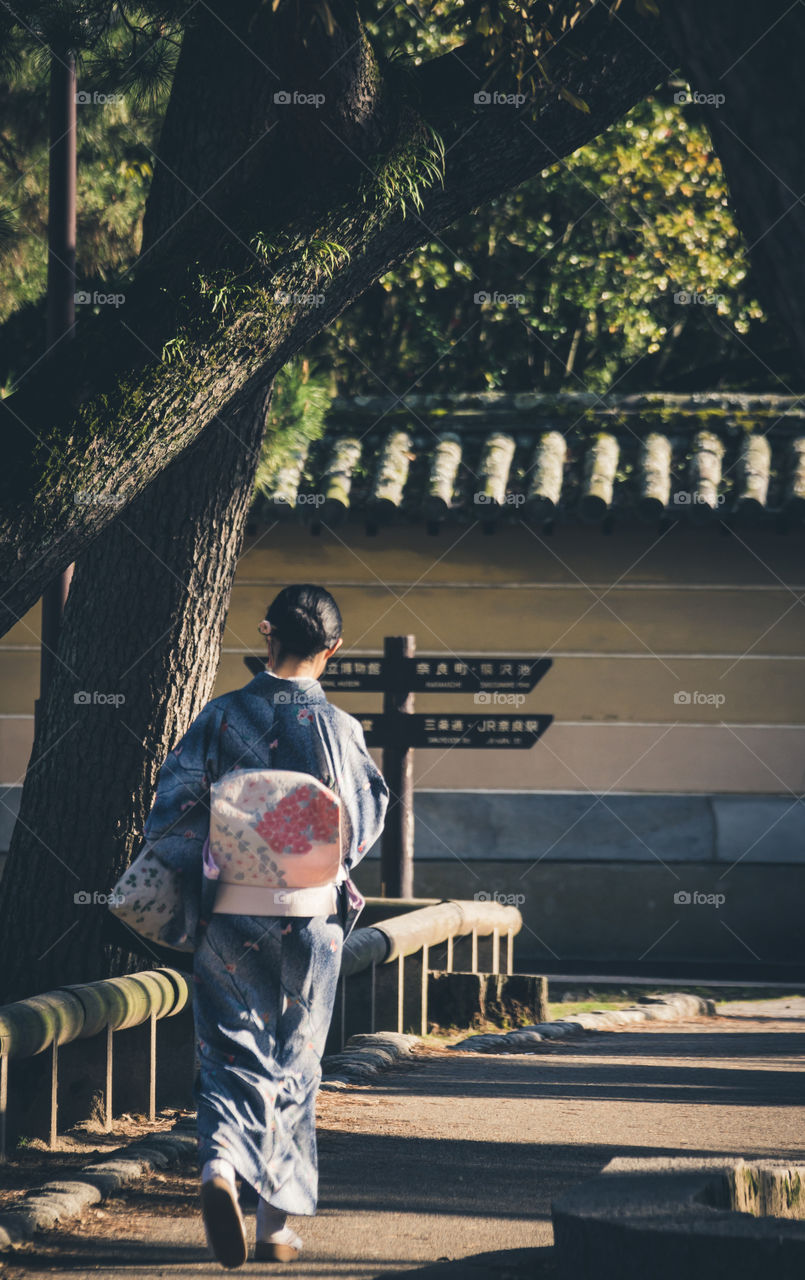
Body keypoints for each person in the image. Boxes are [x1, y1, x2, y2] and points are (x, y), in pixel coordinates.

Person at [141, 584, 389, 1267]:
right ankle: (274, 1224)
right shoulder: (340, 728)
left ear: (266, 632)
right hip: (312, 919)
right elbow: (361, 824)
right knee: (297, 1060)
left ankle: (220, 1165)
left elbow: (176, 807)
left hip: (231, 911)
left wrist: (211, 863)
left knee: (230, 1051)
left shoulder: (221, 716)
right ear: (332, 650)